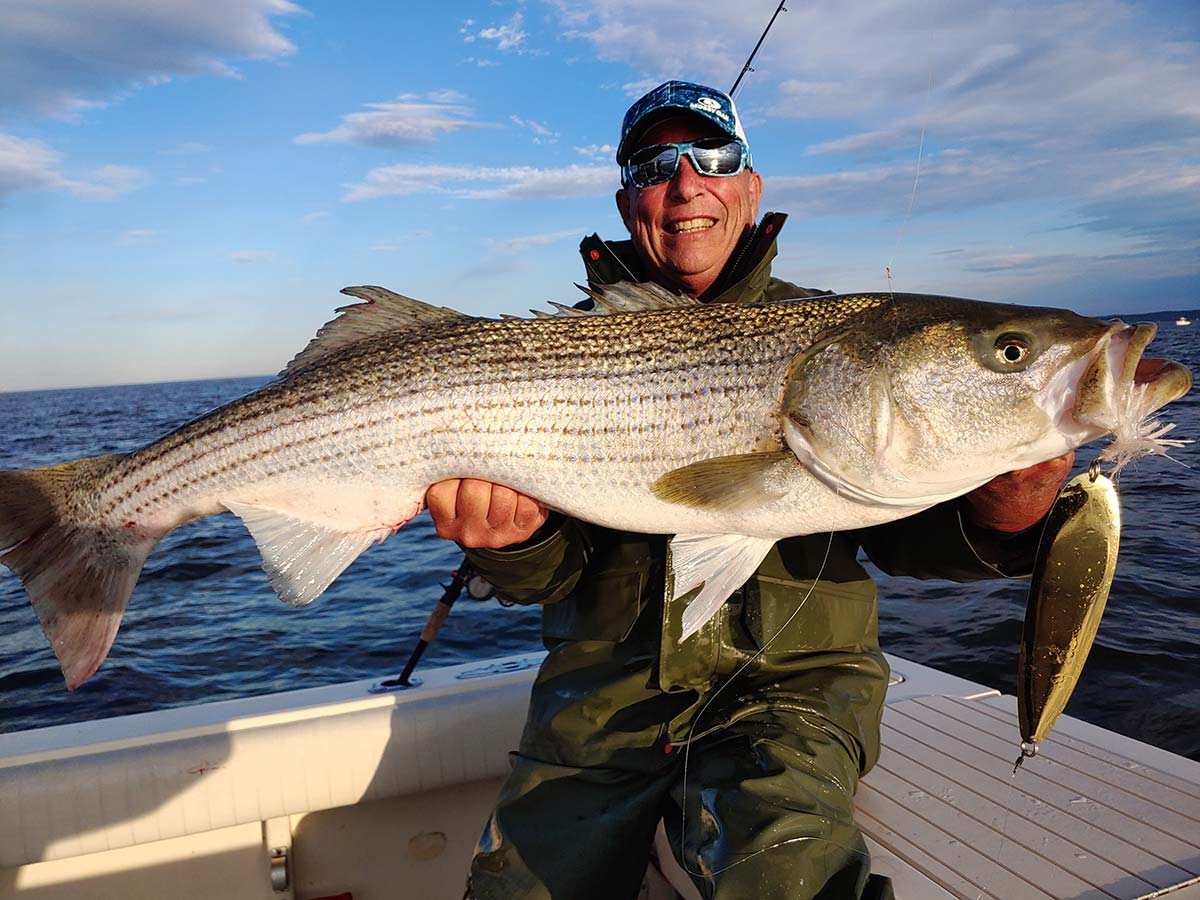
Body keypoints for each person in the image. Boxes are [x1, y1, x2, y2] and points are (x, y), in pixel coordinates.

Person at [427, 81, 1072, 900]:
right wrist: (515, 542)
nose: (687, 182)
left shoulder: (847, 335)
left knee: (788, 881)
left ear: (751, 187)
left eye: (715, 156)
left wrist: (1006, 515)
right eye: (656, 164)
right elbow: (551, 575)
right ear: (631, 202)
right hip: (595, 710)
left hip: (791, 699)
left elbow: (905, 530)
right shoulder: (564, 344)